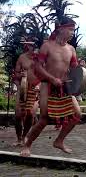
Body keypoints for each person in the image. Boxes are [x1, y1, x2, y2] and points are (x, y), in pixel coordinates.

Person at [20, 17, 81, 157]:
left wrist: (77, 81)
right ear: (61, 29)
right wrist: (52, 78)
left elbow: (74, 70)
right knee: (44, 118)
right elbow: (37, 66)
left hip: (64, 87)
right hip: (47, 85)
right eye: (70, 29)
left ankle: (59, 141)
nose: (72, 33)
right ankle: (27, 145)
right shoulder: (47, 46)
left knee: (77, 114)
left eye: (73, 30)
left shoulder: (71, 49)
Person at [12, 40, 40, 146]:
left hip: (35, 89)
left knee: (30, 113)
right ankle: (19, 138)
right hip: (23, 88)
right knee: (18, 115)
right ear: (27, 46)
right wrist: (20, 82)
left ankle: (24, 136)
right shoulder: (22, 58)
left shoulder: (40, 59)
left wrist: (39, 86)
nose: (33, 48)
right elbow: (15, 76)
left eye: (35, 46)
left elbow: (44, 76)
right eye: (31, 46)